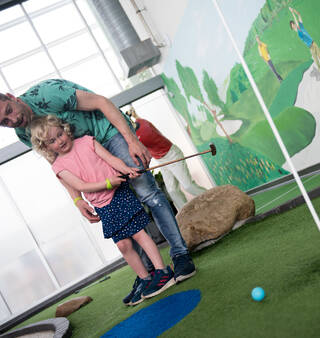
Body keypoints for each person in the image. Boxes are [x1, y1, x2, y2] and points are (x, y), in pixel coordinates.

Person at [0, 79, 196, 305]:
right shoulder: (24, 133)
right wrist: (77, 198)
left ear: (11, 97)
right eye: (4, 122)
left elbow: (102, 103)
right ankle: (149, 274)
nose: (13, 119)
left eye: (9, 111)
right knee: (120, 219)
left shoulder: (47, 93)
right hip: (84, 153)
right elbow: (59, 164)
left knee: (148, 193)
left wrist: (131, 140)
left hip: (108, 134)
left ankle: (180, 255)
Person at [29, 115, 175, 306]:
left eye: (60, 134)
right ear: (45, 147)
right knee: (123, 245)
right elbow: (80, 185)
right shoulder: (58, 167)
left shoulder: (87, 142)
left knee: (139, 234)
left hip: (118, 194)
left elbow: (112, 159)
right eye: (52, 141)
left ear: (65, 129)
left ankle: (162, 272)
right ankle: (146, 279)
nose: (60, 141)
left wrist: (126, 169)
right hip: (102, 204)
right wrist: (107, 183)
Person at [126, 107, 207, 212]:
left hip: (171, 155)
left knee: (188, 186)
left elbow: (143, 153)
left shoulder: (141, 136)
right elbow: (136, 121)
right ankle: (187, 214)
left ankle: (216, 197)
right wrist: (133, 114)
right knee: (173, 191)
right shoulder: (140, 122)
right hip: (162, 160)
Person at [289, 7, 320, 81]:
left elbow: (299, 15)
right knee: (317, 62)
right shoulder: (298, 32)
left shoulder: (301, 26)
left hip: (314, 44)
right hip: (311, 48)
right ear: (293, 28)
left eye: (293, 24)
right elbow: (297, 23)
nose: (294, 25)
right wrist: (292, 13)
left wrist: (293, 10)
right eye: (292, 26)